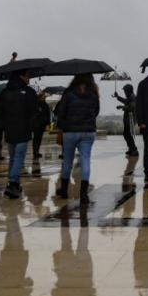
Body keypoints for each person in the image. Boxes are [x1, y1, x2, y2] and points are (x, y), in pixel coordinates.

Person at [0, 69, 37, 199]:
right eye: (28, 76)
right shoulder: (29, 92)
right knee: (18, 158)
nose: (29, 79)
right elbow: (34, 111)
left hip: (9, 130)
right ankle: (12, 183)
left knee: (13, 157)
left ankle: (14, 184)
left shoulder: (5, 92)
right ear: (22, 76)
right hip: (23, 129)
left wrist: (3, 125)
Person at [55, 74, 100, 204]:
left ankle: (64, 191)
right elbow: (96, 111)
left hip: (70, 131)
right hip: (88, 131)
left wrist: (61, 128)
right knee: (86, 159)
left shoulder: (68, 92)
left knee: (67, 160)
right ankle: (84, 194)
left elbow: (61, 111)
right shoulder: (93, 92)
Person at [114, 84, 139, 157]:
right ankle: (131, 149)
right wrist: (117, 97)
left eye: (125, 91)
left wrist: (123, 107)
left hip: (130, 119)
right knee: (127, 135)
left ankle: (134, 150)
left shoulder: (133, 97)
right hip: (128, 119)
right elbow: (125, 101)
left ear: (128, 91)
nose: (124, 92)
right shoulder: (130, 97)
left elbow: (132, 107)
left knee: (128, 135)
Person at [31, 92, 51, 160]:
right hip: (36, 124)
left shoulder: (46, 104)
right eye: (43, 96)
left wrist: (48, 123)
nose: (44, 97)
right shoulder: (36, 104)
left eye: (45, 97)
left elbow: (48, 114)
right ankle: (35, 152)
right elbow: (33, 114)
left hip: (43, 124)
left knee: (39, 138)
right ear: (40, 97)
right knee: (36, 138)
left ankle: (37, 151)